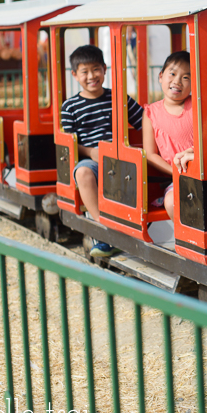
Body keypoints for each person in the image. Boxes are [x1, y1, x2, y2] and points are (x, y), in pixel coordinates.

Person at [60, 44, 143, 258]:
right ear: (75, 75)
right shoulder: (70, 107)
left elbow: (145, 121)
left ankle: (138, 224)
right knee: (82, 172)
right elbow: (68, 142)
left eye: (96, 69)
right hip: (92, 160)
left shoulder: (118, 99)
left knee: (137, 166)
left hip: (119, 156)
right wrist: (89, 152)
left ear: (104, 69)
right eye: (85, 71)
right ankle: (102, 228)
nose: (91, 76)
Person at [142, 51, 193, 218]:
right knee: (172, 202)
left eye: (186, 77)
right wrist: (176, 172)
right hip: (177, 177)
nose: (177, 81)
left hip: (206, 172)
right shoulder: (151, 112)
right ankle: (185, 241)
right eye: (172, 74)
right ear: (160, 76)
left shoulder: (199, 105)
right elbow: (150, 154)